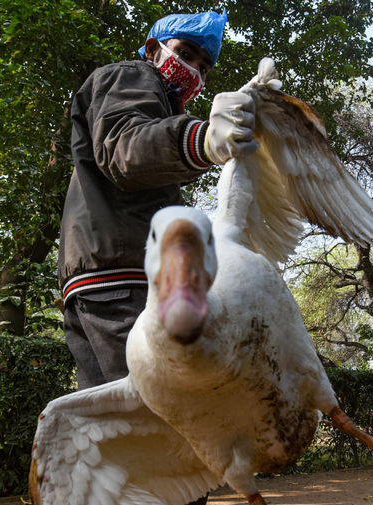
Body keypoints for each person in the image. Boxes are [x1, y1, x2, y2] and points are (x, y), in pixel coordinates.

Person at [57, 13, 256, 504]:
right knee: (168, 437)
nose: (194, 70)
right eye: (185, 53)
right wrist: (202, 139)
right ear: (152, 48)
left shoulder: (157, 107)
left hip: (99, 278)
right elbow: (126, 150)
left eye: (204, 65)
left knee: (121, 446)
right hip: (119, 278)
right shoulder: (130, 76)